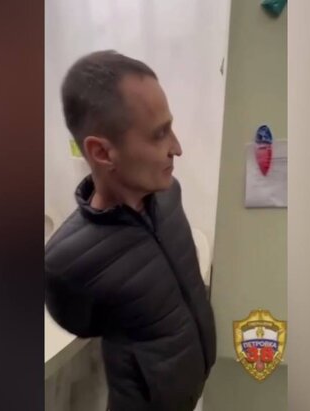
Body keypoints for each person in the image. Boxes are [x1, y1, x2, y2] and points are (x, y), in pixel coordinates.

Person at [44, 50, 217, 411]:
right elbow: (83, 324)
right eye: (160, 134)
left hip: (191, 387)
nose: (177, 148)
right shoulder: (65, 261)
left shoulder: (169, 194)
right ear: (102, 153)